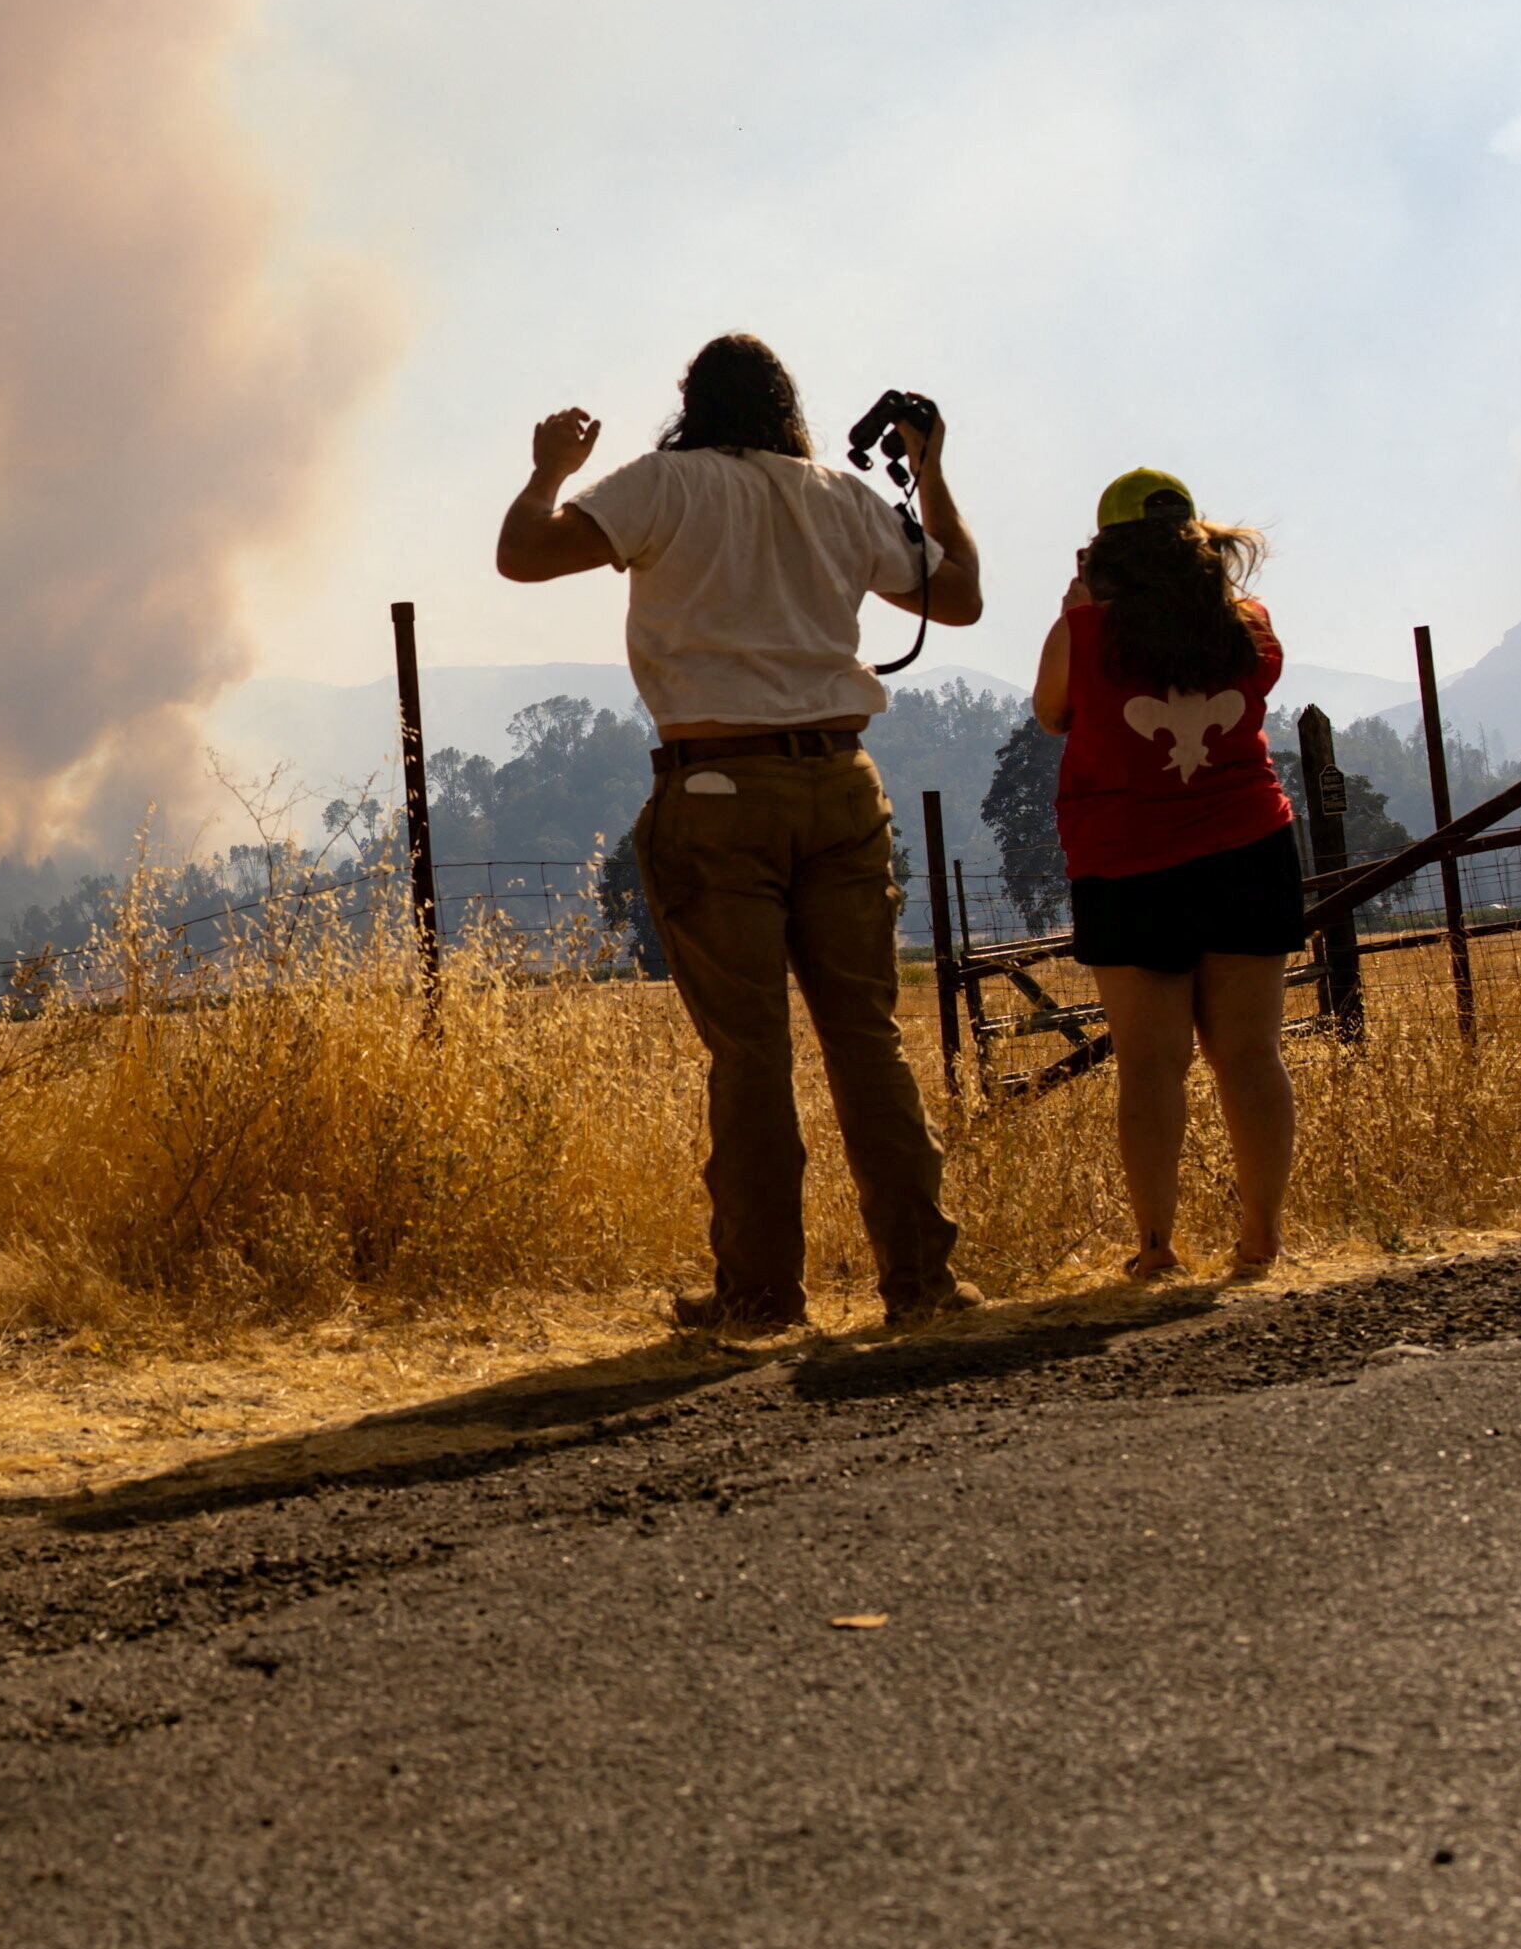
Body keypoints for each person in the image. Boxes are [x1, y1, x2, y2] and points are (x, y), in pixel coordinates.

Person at [498, 333, 984, 1339]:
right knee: (867, 1042)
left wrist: (549, 470)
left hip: (715, 788)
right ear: (785, 407)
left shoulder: (662, 486)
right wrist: (927, 472)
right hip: (843, 785)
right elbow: (961, 593)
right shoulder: (841, 496)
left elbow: (521, 556)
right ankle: (921, 1284)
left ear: (691, 404)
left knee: (750, 1055)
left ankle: (761, 1297)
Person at [1032, 467, 1301, 1284]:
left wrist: (1080, 600)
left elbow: (1053, 712)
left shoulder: (1081, 629)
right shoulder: (1249, 625)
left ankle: (1155, 1245)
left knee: (1150, 1065)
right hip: (1248, 846)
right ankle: (1260, 1237)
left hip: (1127, 859)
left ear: (1105, 550)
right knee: (1250, 1055)